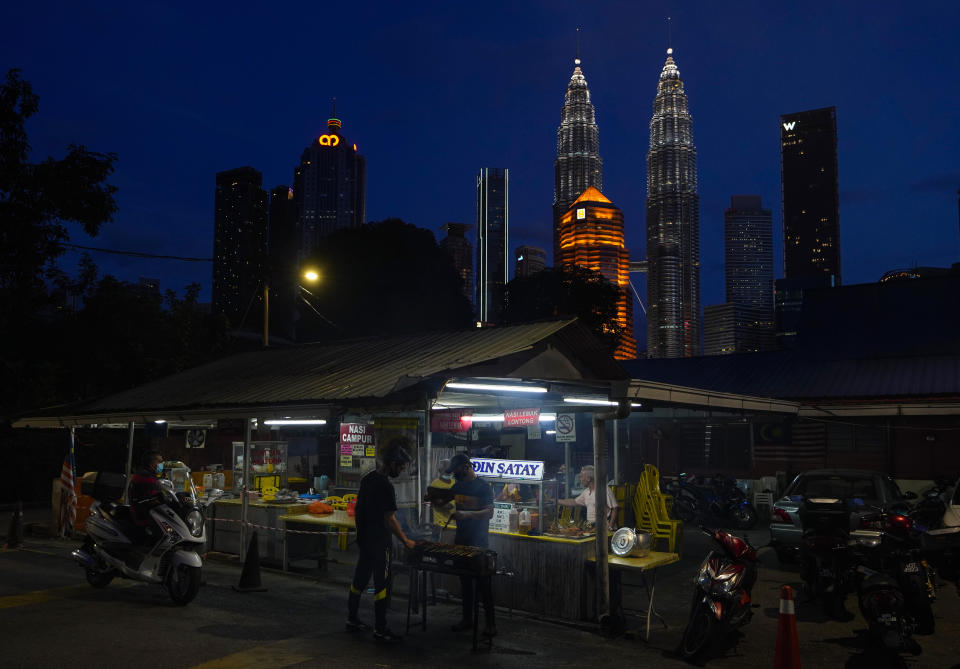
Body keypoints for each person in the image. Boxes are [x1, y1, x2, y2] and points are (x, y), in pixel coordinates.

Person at [346, 438, 417, 644]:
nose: (402, 470)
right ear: (392, 463)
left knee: (359, 579)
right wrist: (406, 541)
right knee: (382, 583)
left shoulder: (367, 479)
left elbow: (360, 510)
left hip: (365, 539)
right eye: (401, 466)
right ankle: (380, 627)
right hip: (379, 542)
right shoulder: (385, 486)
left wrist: (361, 536)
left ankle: (352, 619)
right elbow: (390, 518)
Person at [429, 453, 496, 637]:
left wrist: (467, 515)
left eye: (457, 471)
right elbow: (442, 501)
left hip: (479, 543)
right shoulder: (458, 485)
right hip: (461, 540)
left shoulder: (483, 487)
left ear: (467, 467)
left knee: (483, 585)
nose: (455, 475)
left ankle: (491, 624)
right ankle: (467, 619)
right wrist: (433, 497)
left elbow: (489, 513)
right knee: (465, 582)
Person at [128, 451, 164, 543]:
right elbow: (153, 497)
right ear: (152, 463)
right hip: (144, 517)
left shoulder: (145, 474)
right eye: (159, 462)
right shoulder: (146, 477)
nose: (162, 464)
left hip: (142, 514)